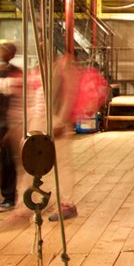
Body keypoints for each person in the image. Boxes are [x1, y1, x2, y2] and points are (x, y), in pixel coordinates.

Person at [29, 52, 81, 221]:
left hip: (55, 120)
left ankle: (67, 203)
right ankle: (29, 203)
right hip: (39, 120)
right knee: (32, 162)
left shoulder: (63, 67)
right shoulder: (41, 69)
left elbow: (71, 93)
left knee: (61, 163)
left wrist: (62, 120)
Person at [0, 42, 24, 212]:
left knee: (10, 160)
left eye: (1, 49)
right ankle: (9, 194)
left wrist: (14, 126)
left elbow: (19, 101)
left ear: (10, 54)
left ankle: (10, 196)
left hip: (12, 123)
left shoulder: (16, 74)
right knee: (3, 160)